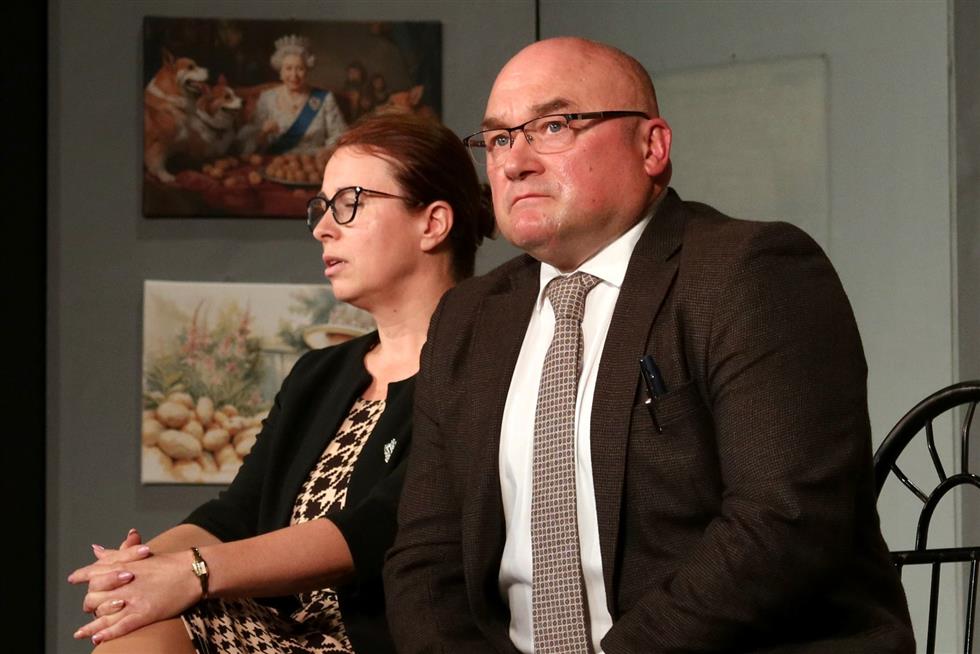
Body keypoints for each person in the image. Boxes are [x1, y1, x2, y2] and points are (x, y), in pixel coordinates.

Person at [384, 37, 915, 653]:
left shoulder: (751, 270)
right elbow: (426, 555)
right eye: (499, 139)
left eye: (553, 126)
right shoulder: (469, 317)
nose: (514, 162)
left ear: (652, 147)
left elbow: (784, 520)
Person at [67, 112, 494, 654]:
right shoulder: (320, 373)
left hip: (388, 643)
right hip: (284, 630)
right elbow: (235, 514)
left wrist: (192, 572)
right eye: (322, 207)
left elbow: (375, 530)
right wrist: (136, 570)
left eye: (350, 203)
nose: (322, 228)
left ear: (432, 223)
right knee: (137, 616)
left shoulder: (482, 369)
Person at [238, 34, 348, 156]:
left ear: (307, 71)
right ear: (280, 71)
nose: (294, 75)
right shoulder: (267, 98)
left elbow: (339, 135)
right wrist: (263, 131)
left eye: (300, 68)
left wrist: (327, 151)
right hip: (276, 162)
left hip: (314, 161)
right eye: (288, 68)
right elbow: (247, 143)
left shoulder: (325, 98)